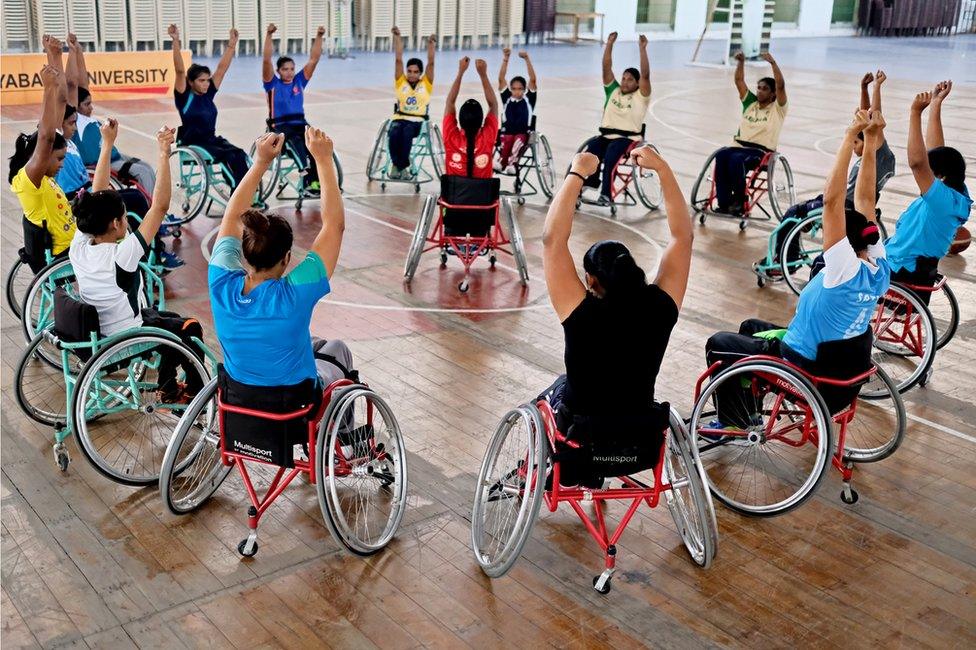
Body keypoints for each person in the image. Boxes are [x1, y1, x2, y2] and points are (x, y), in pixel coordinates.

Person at [705, 109, 890, 423]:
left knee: (719, 343)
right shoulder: (878, 269)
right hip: (840, 371)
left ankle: (735, 421)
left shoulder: (842, 269)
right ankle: (750, 397)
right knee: (750, 327)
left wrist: (849, 137)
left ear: (844, 241)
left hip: (804, 369)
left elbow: (833, 201)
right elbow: (866, 200)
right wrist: (870, 141)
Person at [538, 145, 693, 487]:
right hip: (638, 445)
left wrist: (578, 172)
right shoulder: (661, 307)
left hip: (584, 446)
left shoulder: (581, 313)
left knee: (551, 395)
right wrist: (663, 169)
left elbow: (552, 240)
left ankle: (545, 469)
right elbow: (683, 237)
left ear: (591, 281)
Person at [69, 121, 204, 402]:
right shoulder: (122, 254)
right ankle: (192, 394)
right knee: (190, 327)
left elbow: (97, 195)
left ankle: (167, 385)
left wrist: (106, 144)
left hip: (101, 333)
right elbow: (160, 206)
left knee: (167, 319)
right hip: (125, 339)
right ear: (118, 222)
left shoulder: (80, 245)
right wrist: (164, 153)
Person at [208, 126, 352, 389]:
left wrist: (260, 162)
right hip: (294, 405)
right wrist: (322, 159)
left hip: (241, 402)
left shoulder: (221, 283)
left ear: (244, 252)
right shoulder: (292, 296)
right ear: (286, 259)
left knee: (312, 343)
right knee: (337, 351)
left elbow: (231, 217)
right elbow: (334, 227)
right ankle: (344, 430)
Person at [767, 71, 893, 270]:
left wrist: (877, 87)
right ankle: (789, 251)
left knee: (793, 213)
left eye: (855, 142)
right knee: (799, 212)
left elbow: (874, 116)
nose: (853, 147)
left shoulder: (881, 155)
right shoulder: (871, 157)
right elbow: (866, 115)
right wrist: (864, 89)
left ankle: (785, 261)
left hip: (846, 205)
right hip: (851, 202)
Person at [884, 81, 971, 300]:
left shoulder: (942, 201)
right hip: (912, 268)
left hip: (897, 271)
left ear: (940, 176)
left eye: (931, 171)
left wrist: (915, 113)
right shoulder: (957, 193)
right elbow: (934, 151)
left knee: (824, 266)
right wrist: (935, 104)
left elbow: (917, 163)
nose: (926, 174)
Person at [9, 41, 74, 258]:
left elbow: (62, 103)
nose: (61, 164)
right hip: (65, 253)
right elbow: (46, 137)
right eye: (59, 159)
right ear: (40, 156)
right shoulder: (30, 180)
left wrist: (54, 57)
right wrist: (47, 88)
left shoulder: (42, 174)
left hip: (72, 240)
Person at [71, 35, 156, 195]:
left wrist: (78, 51)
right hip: (101, 162)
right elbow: (76, 82)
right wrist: (71, 52)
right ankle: (152, 215)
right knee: (143, 173)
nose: (91, 108)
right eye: (87, 104)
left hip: (114, 155)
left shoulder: (91, 120)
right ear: (75, 106)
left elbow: (84, 84)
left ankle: (154, 210)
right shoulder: (74, 121)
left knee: (147, 167)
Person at [169, 24, 249, 189]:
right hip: (193, 143)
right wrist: (175, 41)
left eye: (207, 80)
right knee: (229, 155)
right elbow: (179, 71)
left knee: (239, 154)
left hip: (211, 140)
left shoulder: (208, 93)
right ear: (191, 82)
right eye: (201, 80)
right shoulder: (184, 97)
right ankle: (238, 193)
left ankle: (244, 191)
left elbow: (221, 69)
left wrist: (232, 45)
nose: (206, 84)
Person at [712, 51, 788, 217]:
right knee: (722, 155)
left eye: (765, 89)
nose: (760, 91)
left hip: (760, 152)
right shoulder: (750, 103)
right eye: (758, 88)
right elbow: (739, 81)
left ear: (773, 94)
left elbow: (781, 85)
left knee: (735, 160)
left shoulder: (778, 109)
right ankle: (724, 202)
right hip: (738, 145)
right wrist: (741, 62)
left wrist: (773, 64)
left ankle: (740, 200)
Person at [581, 32, 651, 206]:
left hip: (627, 139)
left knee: (612, 151)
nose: (626, 82)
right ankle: (590, 181)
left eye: (630, 80)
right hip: (605, 136)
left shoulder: (641, 96)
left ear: (637, 83)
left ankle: (606, 195)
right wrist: (609, 44)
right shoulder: (613, 91)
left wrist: (642, 49)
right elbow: (606, 68)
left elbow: (646, 75)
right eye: (624, 78)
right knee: (589, 151)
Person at [262, 23, 326, 195]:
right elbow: (266, 60)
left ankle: (315, 183)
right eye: (285, 69)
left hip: (300, 123)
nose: (289, 72)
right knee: (297, 142)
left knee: (314, 142)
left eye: (291, 69)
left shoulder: (299, 81)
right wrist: (269, 35)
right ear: (278, 71)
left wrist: (319, 37)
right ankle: (305, 174)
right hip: (280, 127)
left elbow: (314, 59)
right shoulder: (272, 84)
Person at [387, 28, 436, 179]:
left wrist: (431, 44)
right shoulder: (401, 82)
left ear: (420, 73)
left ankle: (400, 166)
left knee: (407, 131)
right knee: (394, 131)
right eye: (409, 71)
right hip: (399, 118)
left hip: (417, 122)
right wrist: (397, 37)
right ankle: (398, 166)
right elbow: (398, 59)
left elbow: (431, 63)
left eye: (415, 72)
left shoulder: (426, 83)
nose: (412, 74)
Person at [443, 57, 499, 179]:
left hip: (453, 197)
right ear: (482, 121)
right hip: (484, 197)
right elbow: (493, 105)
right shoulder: (487, 137)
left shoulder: (451, 137)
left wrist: (460, 72)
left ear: (460, 120)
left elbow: (450, 103)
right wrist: (483, 75)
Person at [494, 49, 538, 173]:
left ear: (524, 89)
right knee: (507, 140)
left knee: (517, 142)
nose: (516, 91)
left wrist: (527, 58)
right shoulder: (507, 97)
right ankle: (501, 162)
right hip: (507, 132)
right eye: (514, 89)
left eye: (520, 89)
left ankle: (512, 164)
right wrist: (506, 58)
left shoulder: (529, 99)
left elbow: (533, 79)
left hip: (522, 133)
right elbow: (501, 78)